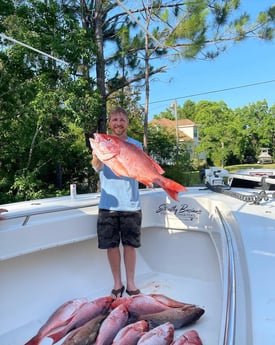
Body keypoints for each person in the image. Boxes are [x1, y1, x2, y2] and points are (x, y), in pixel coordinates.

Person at [92, 106, 142, 299]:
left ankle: (131, 283)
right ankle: (117, 283)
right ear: (110, 123)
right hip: (108, 205)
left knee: (130, 246)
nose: (118, 123)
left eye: (122, 119)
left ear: (127, 122)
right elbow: (97, 167)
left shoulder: (136, 144)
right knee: (112, 246)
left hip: (131, 203)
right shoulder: (103, 142)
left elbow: (138, 169)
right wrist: (97, 156)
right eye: (115, 120)